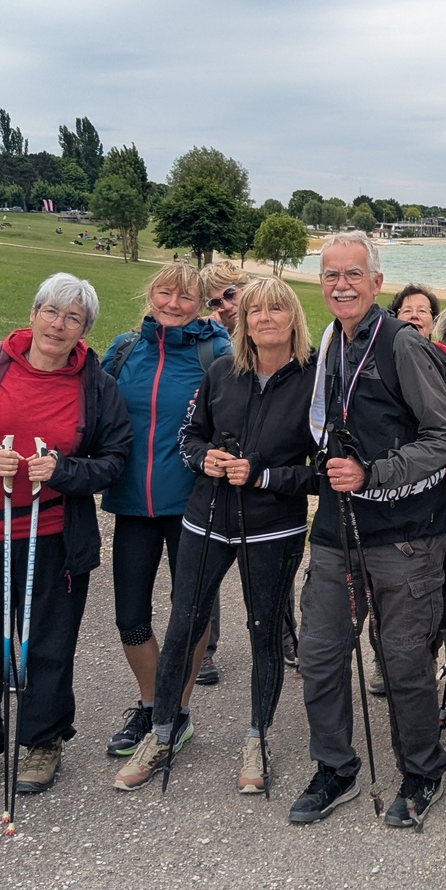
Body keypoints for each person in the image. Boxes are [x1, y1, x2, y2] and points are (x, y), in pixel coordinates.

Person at [0, 273, 131, 795]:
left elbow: (113, 461)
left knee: (48, 643)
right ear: (34, 314)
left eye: (73, 318)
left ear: (84, 329)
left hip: (55, 535)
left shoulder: (96, 386)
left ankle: (43, 740)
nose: (58, 325)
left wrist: (64, 470)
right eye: (51, 312)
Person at [113, 278, 318, 795]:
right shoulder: (222, 371)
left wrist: (264, 475)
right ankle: (163, 732)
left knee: (263, 630)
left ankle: (257, 738)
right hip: (206, 516)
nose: (264, 318)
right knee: (183, 623)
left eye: (276, 309)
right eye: (254, 311)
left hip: (274, 525)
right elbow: (189, 436)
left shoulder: (316, 381)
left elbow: (324, 470)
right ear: (243, 321)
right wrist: (204, 458)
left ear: (293, 317)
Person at [288, 232, 446, 828]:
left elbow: (445, 438)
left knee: (403, 660)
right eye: (331, 274)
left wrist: (374, 472)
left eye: (353, 274)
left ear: (377, 282)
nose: (341, 285)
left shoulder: (403, 345)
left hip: (406, 531)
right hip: (338, 528)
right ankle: (335, 767)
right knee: (320, 653)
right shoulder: (330, 342)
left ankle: (422, 770)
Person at [98, 265, 231, 758]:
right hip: (133, 502)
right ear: (150, 295)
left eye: (186, 296)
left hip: (193, 505)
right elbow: (92, 411)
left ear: (202, 304)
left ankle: (175, 711)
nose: (173, 304)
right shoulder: (125, 349)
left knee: (189, 613)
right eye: (165, 293)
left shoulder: (216, 353)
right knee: (130, 615)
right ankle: (152, 703)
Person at [197, 261, 251, 682]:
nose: (225, 306)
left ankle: (283, 637)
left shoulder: (277, 331)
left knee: (266, 560)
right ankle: (206, 648)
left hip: (261, 466)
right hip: (216, 466)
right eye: (214, 302)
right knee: (206, 563)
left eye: (230, 295)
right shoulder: (208, 343)